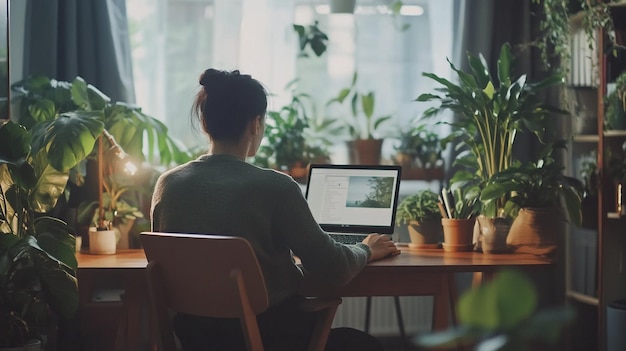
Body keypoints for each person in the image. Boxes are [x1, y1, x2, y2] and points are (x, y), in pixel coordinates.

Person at [150, 68, 401, 351]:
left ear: (205, 123)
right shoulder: (275, 187)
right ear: (256, 124)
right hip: (269, 338)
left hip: (195, 338)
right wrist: (366, 249)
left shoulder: (168, 185)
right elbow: (334, 269)